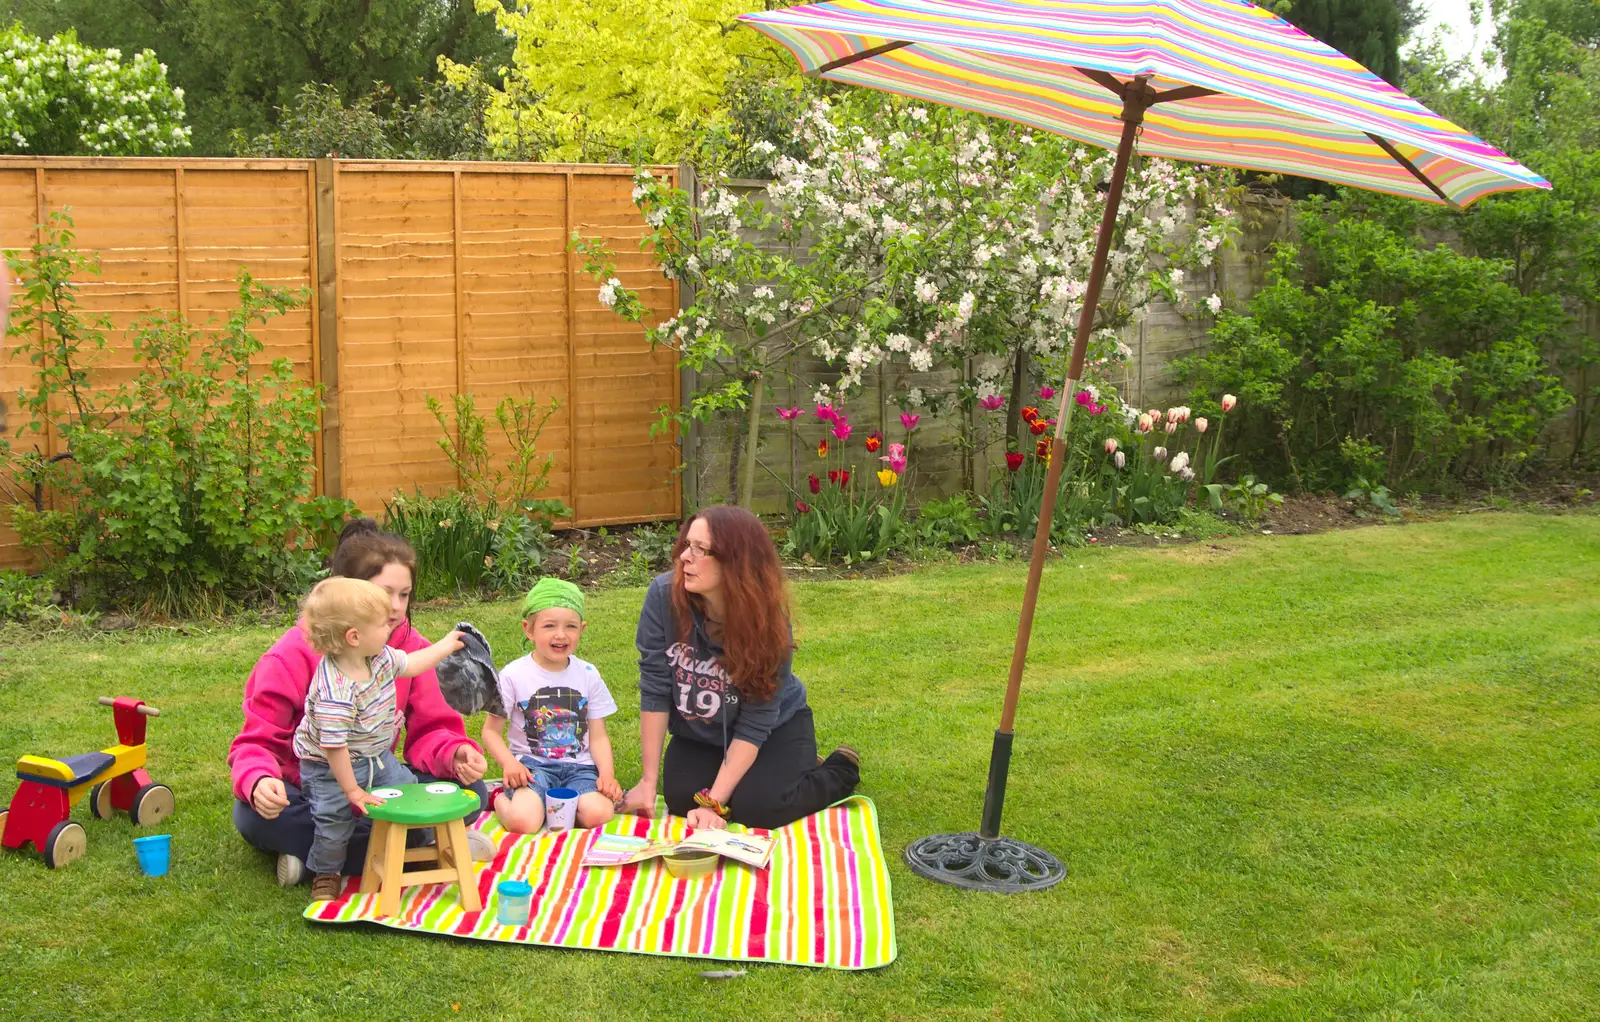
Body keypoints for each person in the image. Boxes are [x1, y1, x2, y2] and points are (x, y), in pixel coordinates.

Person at [229, 519, 492, 885]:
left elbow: (434, 729)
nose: (397, 608)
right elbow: (257, 742)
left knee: (472, 793)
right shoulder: (290, 655)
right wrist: (259, 782)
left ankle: (323, 856)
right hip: (313, 785)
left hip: (377, 775)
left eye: (405, 594)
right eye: (386, 594)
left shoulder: (410, 649)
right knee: (254, 816)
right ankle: (420, 844)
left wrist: (454, 754)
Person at [620, 505, 860, 831]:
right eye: (686, 545)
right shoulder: (663, 596)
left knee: (757, 808)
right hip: (701, 730)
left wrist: (715, 804)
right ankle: (776, 772)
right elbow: (655, 688)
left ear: (735, 561)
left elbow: (757, 719)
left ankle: (836, 769)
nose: (684, 558)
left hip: (774, 728)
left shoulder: (767, 622)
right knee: (681, 800)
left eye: (700, 549)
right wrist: (648, 782)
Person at [293, 577, 465, 901]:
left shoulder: (379, 657)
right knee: (334, 822)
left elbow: (412, 665)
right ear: (354, 636)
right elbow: (334, 746)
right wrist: (352, 791)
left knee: (411, 793)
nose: (390, 628)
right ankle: (326, 873)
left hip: (376, 756)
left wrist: (447, 644)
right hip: (330, 770)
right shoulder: (335, 689)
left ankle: (425, 846)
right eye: (383, 624)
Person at [482, 578, 621, 833]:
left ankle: (552, 805)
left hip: (579, 768)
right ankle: (499, 798)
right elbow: (490, 731)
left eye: (570, 626)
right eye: (549, 626)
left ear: (582, 629)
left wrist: (607, 775)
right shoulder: (514, 675)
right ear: (529, 629)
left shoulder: (588, 674)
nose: (560, 634)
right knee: (523, 823)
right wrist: (510, 764)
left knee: (600, 813)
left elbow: (599, 736)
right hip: (532, 767)